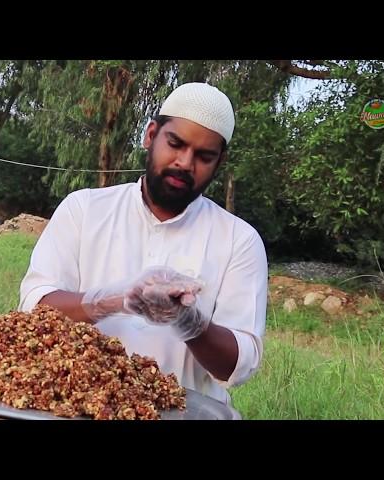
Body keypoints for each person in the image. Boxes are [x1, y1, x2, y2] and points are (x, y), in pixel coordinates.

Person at [18, 82, 268, 417]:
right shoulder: (85, 209)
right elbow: (34, 309)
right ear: (151, 135)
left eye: (204, 156)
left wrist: (188, 321)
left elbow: (239, 365)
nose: (185, 163)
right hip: (78, 408)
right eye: (175, 144)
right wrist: (114, 299)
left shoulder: (240, 240)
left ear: (219, 162)